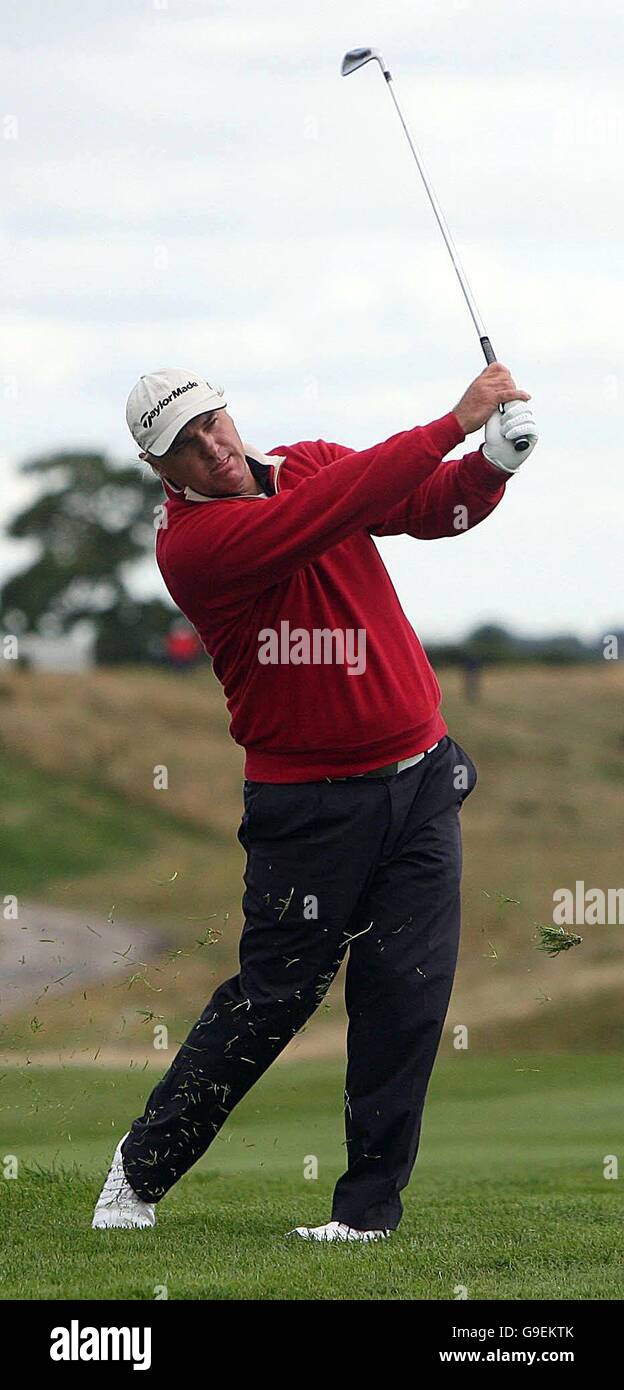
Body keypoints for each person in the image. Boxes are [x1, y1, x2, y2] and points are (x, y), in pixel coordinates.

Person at [92, 364, 537, 1240]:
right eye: (187, 443)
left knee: (405, 996)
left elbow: (425, 506)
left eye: (214, 421)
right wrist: (452, 420)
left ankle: (367, 1215)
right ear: (161, 469)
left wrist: (490, 467)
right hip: (308, 809)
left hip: (420, 780)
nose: (214, 446)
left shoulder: (312, 465)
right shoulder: (194, 548)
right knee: (275, 998)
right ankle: (138, 1171)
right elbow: (322, 515)